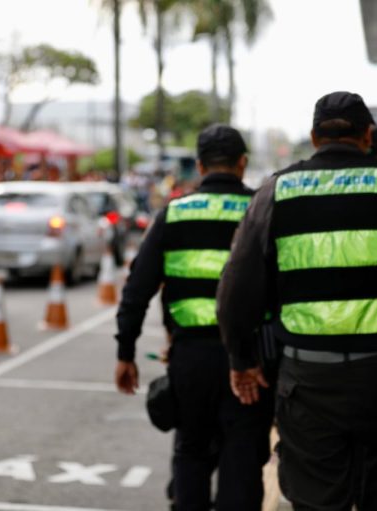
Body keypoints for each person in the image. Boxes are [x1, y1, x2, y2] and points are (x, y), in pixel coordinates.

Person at [216, 91, 377, 510]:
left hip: (307, 385)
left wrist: (241, 358)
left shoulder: (276, 192)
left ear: (314, 137)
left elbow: (236, 290)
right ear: (367, 135)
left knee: (316, 501)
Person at [114, 124, 274, 511]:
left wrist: (125, 352)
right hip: (251, 362)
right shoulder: (263, 211)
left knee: (191, 453)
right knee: (242, 460)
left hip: (190, 358)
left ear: (200, 166)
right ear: (242, 163)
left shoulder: (174, 214)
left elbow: (137, 289)